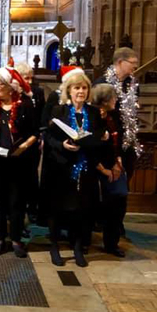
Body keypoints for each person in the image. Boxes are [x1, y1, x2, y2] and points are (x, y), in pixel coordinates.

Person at [44, 70, 104, 268]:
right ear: (69, 90)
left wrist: (86, 141)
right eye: (77, 87)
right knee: (57, 208)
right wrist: (63, 146)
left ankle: (78, 248)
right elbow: (49, 138)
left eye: (84, 88)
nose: (81, 91)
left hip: (85, 167)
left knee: (82, 209)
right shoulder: (58, 111)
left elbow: (98, 139)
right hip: (61, 167)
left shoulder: (93, 112)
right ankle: (54, 247)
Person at [0, 67, 37, 258]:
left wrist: (23, 148)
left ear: (9, 87)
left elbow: (34, 133)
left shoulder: (25, 105)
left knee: (16, 202)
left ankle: (15, 240)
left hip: (18, 161)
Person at [94, 47, 140, 236]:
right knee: (108, 187)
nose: (134, 68)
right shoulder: (102, 83)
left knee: (122, 188)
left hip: (128, 142)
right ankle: (104, 222)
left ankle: (117, 223)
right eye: (132, 64)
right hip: (108, 144)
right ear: (120, 62)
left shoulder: (132, 83)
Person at [90, 83, 126, 257]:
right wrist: (103, 169)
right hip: (97, 167)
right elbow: (91, 146)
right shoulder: (92, 116)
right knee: (97, 206)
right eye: (113, 97)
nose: (116, 100)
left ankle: (112, 243)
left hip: (114, 166)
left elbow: (118, 140)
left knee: (118, 204)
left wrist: (118, 162)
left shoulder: (114, 115)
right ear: (105, 100)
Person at [14, 61, 44, 222]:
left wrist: (40, 136)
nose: (30, 82)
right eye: (26, 78)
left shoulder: (38, 92)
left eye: (31, 78)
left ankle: (33, 209)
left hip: (34, 140)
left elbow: (42, 116)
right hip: (18, 141)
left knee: (32, 176)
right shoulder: (15, 95)